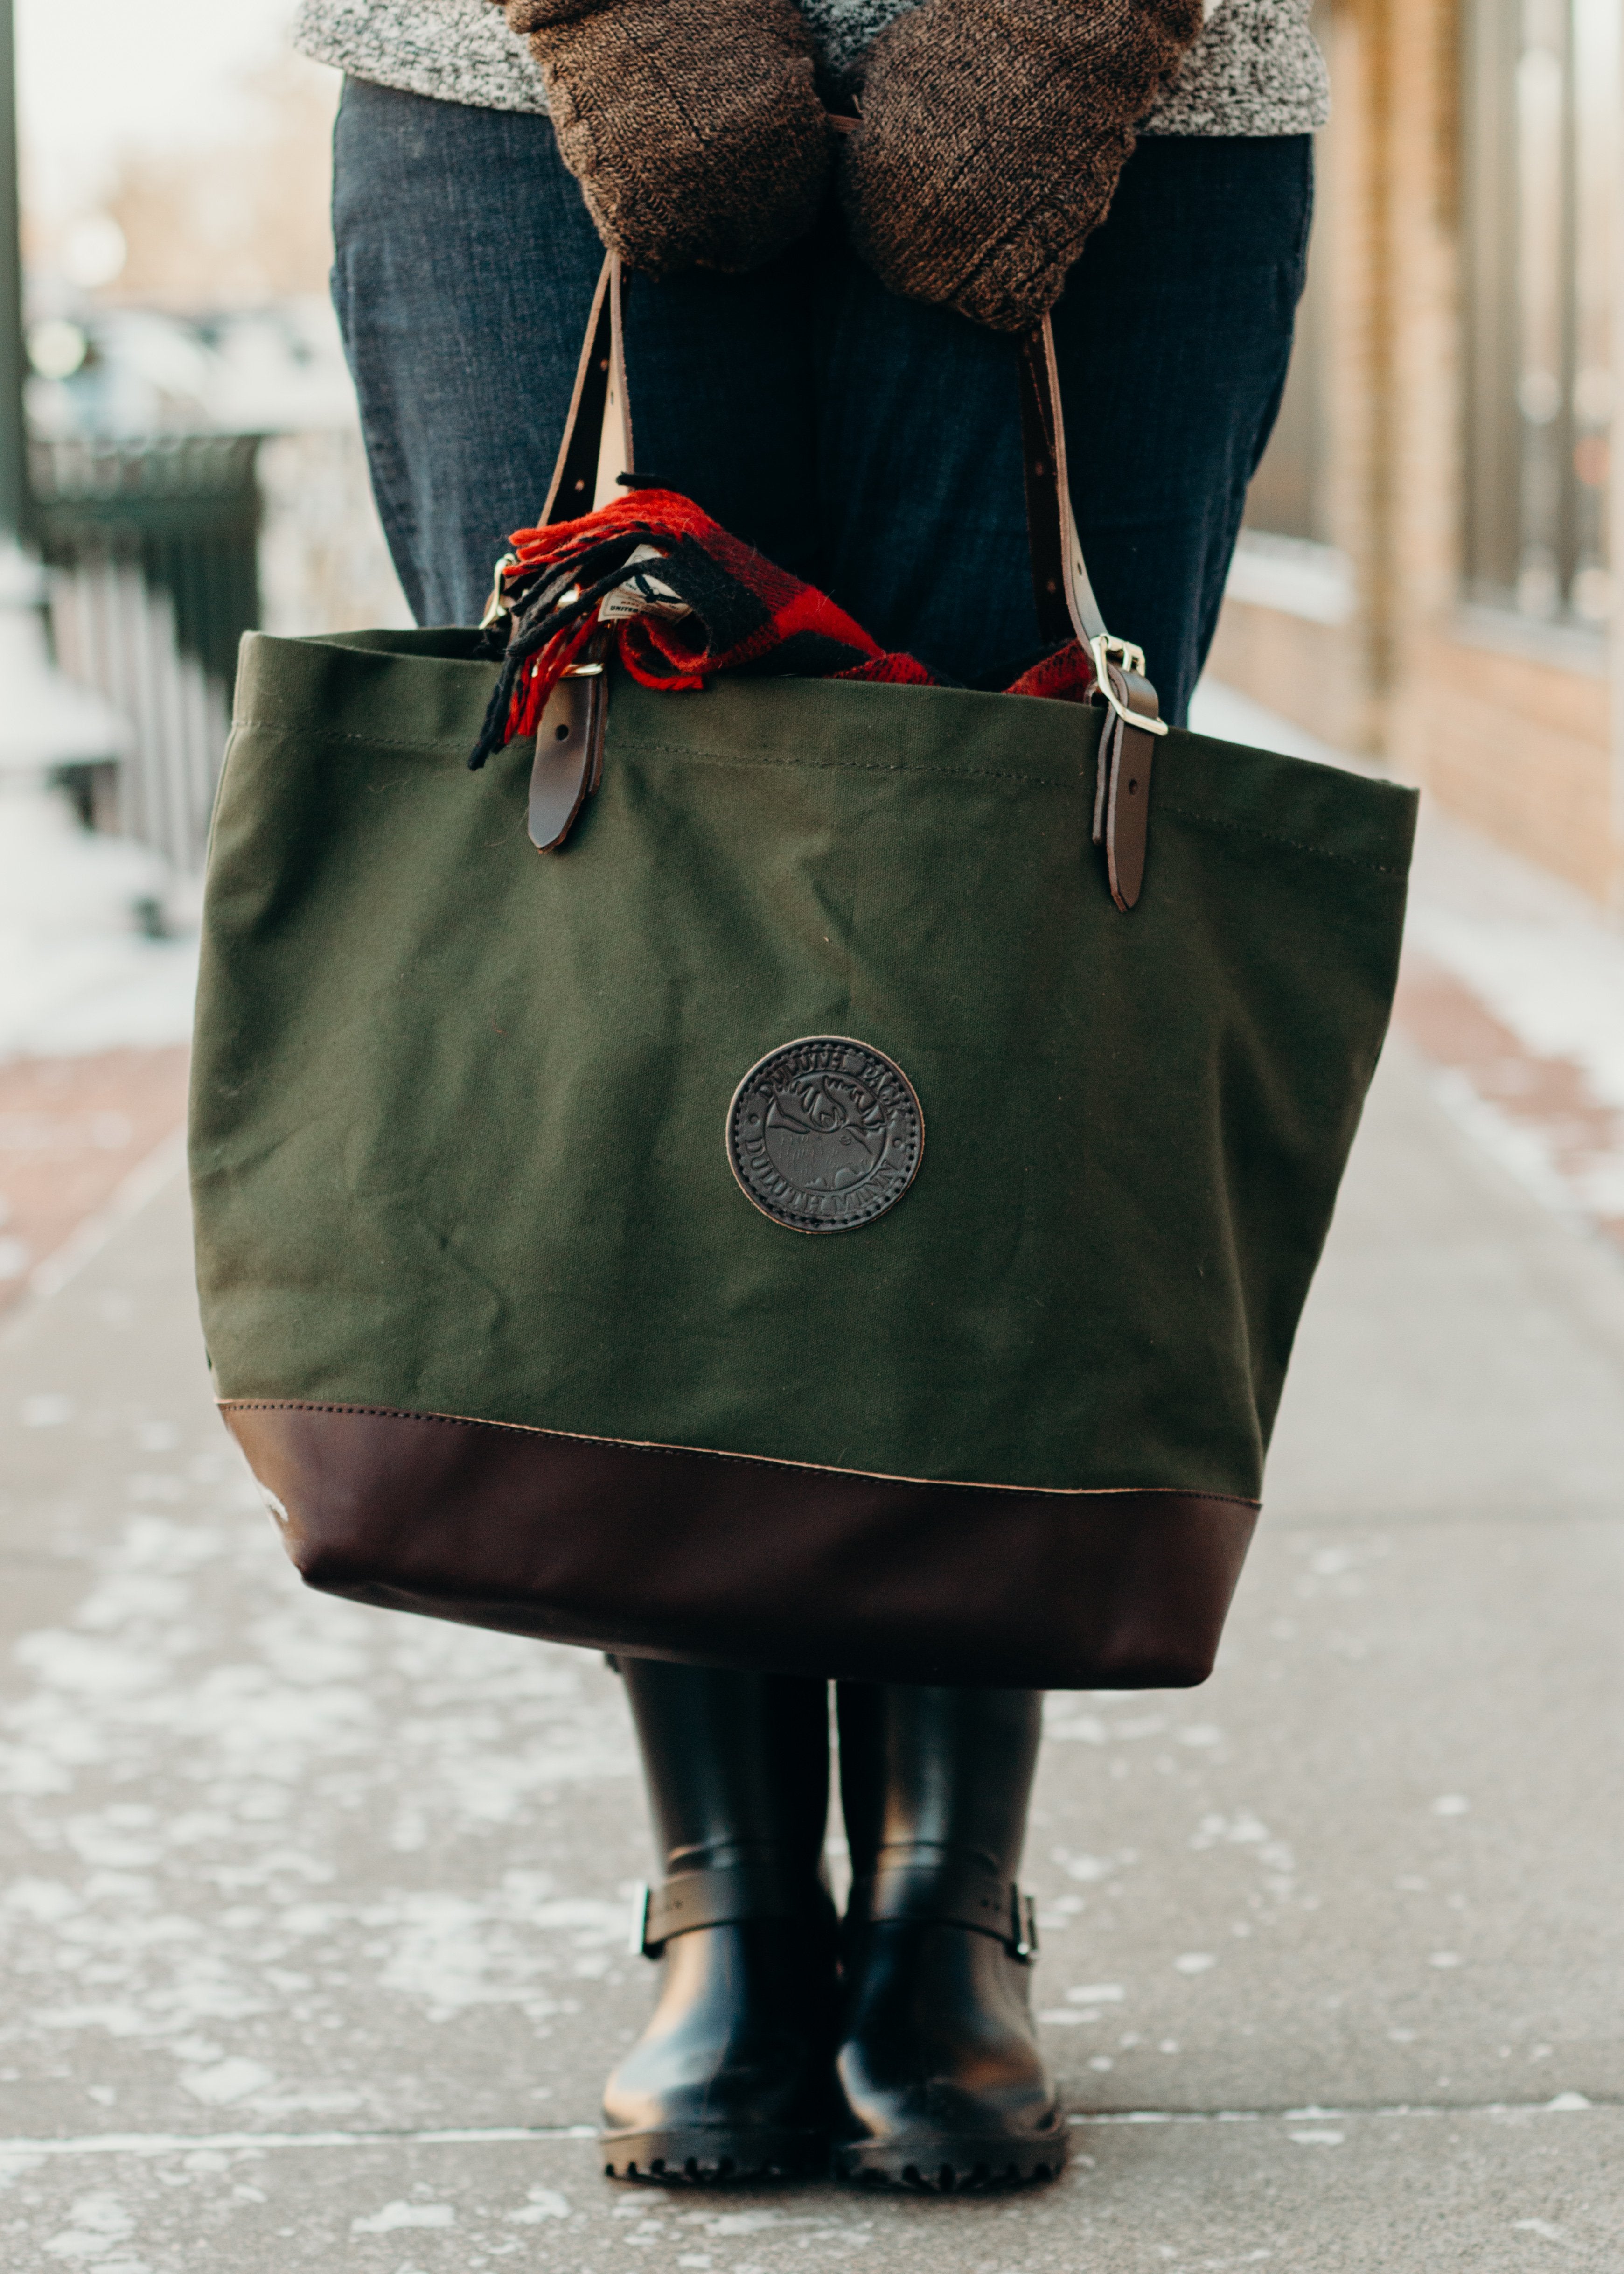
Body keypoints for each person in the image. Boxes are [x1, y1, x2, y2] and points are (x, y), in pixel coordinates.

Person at [293, 0, 1327, 2190]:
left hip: (1141, 94)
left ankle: (949, 1902)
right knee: (626, 995)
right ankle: (732, 1902)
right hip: (508, 90)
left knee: (1007, 982)